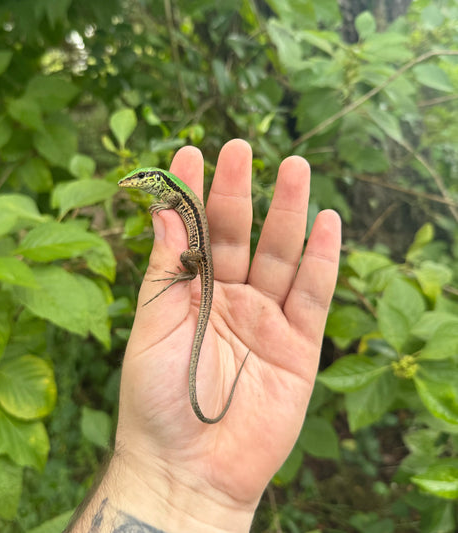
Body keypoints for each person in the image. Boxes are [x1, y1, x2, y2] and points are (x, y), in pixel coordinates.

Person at [65, 139, 342, 533]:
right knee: (183, 256)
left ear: (154, 180)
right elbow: (177, 206)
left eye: (139, 178)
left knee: (184, 260)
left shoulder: (173, 193)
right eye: (135, 178)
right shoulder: (171, 193)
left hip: (201, 263)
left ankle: (185, 273)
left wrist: (186, 271)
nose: (133, 182)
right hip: (204, 260)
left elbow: (180, 211)